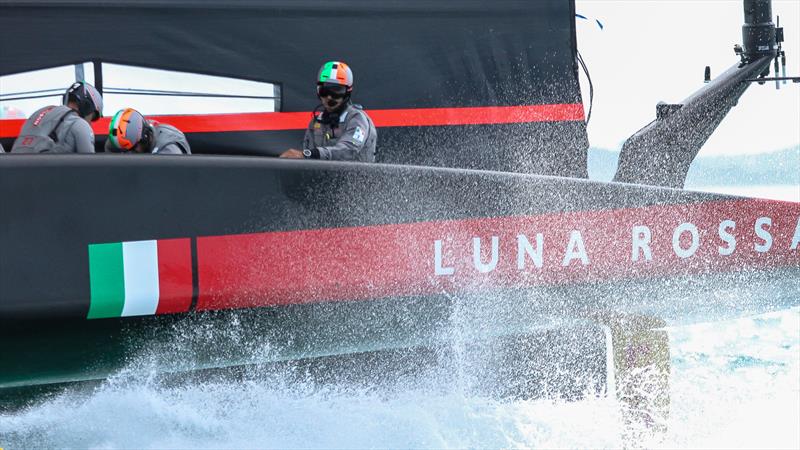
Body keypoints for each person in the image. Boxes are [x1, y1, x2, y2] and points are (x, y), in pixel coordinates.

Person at [280, 61, 376, 161]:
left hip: (357, 175)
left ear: (347, 93)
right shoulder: (317, 121)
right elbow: (308, 160)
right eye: (324, 91)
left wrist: (309, 154)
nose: (329, 97)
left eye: (337, 91)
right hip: (323, 175)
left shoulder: (357, 118)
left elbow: (349, 151)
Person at [11, 81, 102, 153]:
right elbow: (89, 168)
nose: (90, 124)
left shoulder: (40, 113)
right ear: (87, 107)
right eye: (91, 117)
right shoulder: (80, 124)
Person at [106, 108, 191, 154]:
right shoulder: (124, 141)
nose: (135, 152)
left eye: (135, 148)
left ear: (145, 136)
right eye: (129, 150)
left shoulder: (169, 150)